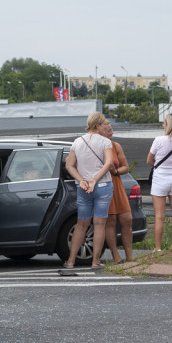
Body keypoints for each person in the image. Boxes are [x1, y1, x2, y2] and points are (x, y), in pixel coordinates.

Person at [63, 112, 114, 270]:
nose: (105, 126)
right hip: (103, 186)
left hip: (83, 187)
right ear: (98, 125)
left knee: (81, 224)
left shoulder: (77, 142)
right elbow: (109, 163)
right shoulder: (105, 142)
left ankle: (71, 261)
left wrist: (82, 180)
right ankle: (95, 261)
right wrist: (96, 179)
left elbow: (69, 165)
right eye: (103, 124)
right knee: (99, 225)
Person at [147, 112, 172, 252]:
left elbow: (149, 161)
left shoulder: (158, 140)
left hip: (160, 179)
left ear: (168, 125)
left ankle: (158, 248)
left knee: (159, 217)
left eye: (164, 123)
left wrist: (158, 165)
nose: (163, 125)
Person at [100, 120, 134, 262]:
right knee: (111, 221)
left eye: (112, 129)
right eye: (108, 130)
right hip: (104, 184)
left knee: (127, 219)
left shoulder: (116, 146)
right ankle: (115, 255)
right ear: (100, 131)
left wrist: (116, 171)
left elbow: (125, 166)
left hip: (117, 184)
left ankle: (130, 255)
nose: (111, 132)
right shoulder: (98, 146)